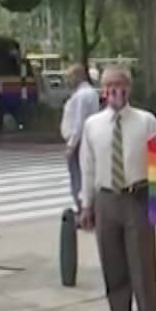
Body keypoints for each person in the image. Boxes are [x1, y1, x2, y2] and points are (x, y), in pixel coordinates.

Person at [77, 65, 156, 311]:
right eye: (111, 85)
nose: (117, 90)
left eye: (122, 85)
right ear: (103, 91)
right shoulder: (93, 125)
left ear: (129, 88)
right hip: (106, 200)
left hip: (138, 197)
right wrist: (86, 204)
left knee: (142, 268)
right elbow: (87, 167)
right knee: (113, 268)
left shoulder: (146, 122)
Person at [60, 64, 100, 208]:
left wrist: (71, 145)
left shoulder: (81, 96)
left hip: (79, 141)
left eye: (69, 77)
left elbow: (79, 122)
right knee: (87, 174)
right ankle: (89, 207)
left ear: (78, 76)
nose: (67, 80)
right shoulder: (91, 93)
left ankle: (82, 207)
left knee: (78, 177)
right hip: (88, 138)